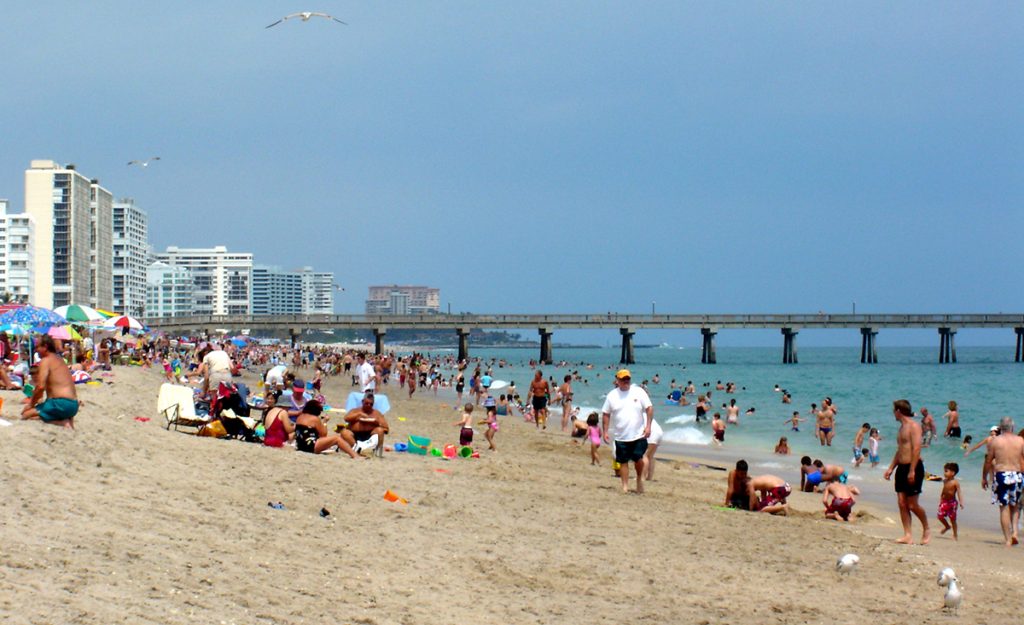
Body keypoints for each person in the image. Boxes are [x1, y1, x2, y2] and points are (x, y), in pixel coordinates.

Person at [884, 399, 930, 545]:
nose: (893, 413)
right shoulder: (901, 428)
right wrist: (891, 468)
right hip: (902, 467)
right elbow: (900, 451)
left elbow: (916, 449)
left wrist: (912, 470)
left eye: (894, 411)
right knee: (902, 503)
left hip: (913, 467)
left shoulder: (914, 426)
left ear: (898, 411)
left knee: (912, 504)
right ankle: (907, 535)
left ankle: (926, 528)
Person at [601, 369, 653, 494]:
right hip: (621, 436)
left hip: (638, 435)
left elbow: (649, 408)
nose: (626, 381)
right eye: (623, 379)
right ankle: (625, 486)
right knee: (623, 462)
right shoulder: (612, 395)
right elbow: (606, 414)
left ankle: (639, 480)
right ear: (617, 381)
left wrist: (648, 426)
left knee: (638, 459)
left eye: (627, 379)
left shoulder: (638, 392)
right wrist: (605, 431)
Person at [981, 416, 1024, 547]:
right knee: (1015, 505)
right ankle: (1015, 532)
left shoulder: (995, 441)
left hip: (1002, 474)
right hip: (1017, 475)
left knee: (1004, 507)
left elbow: (988, 461)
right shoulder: (1020, 440)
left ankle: (1008, 539)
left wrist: (984, 477)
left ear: (1000, 428)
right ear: (1013, 427)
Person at [20, 335, 78, 429]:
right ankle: (65, 419)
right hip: (73, 405)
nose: (36, 350)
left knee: (26, 414)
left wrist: (31, 404)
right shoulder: (59, 360)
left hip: (60, 404)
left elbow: (40, 387)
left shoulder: (46, 360)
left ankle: (62, 423)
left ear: (45, 347)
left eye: (37, 347)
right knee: (39, 411)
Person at [294, 400, 360, 457]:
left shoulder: (300, 417)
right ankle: (355, 455)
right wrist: (325, 422)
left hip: (300, 446)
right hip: (310, 446)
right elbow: (323, 434)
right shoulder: (315, 419)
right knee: (337, 439)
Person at [340, 392, 390, 457]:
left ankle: (377, 452)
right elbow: (346, 418)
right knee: (344, 432)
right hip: (355, 435)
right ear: (362, 401)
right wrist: (358, 415)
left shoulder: (376, 413)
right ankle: (357, 450)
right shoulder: (355, 411)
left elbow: (386, 429)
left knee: (380, 431)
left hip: (370, 436)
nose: (368, 405)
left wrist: (376, 423)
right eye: (366, 403)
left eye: (371, 404)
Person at [937, 462, 964, 540]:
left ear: (952, 473)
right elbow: (944, 490)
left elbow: (959, 492)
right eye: (944, 471)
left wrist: (961, 502)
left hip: (952, 503)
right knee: (940, 516)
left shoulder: (955, 483)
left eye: (946, 471)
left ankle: (955, 535)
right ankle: (947, 526)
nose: (944, 473)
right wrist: (941, 498)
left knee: (953, 519)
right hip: (944, 501)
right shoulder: (945, 481)